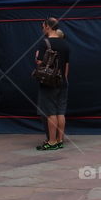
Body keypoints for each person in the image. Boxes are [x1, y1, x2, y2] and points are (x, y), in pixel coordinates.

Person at [34, 17, 70, 150]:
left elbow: (39, 62)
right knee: (61, 112)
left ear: (48, 27)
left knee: (50, 112)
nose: (42, 29)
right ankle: (60, 140)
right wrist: (64, 80)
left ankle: (52, 141)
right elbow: (66, 65)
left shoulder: (44, 43)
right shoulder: (65, 44)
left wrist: (36, 57)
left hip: (49, 82)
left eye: (43, 26)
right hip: (62, 81)